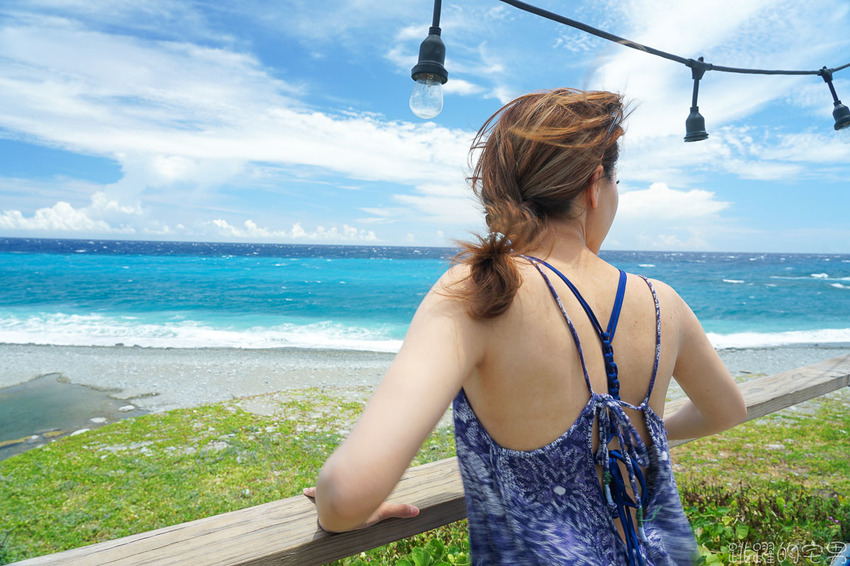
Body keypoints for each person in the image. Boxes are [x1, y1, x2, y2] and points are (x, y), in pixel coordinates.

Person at [304, 88, 747, 565]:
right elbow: (726, 411)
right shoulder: (663, 302)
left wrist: (343, 514)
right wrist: (644, 433)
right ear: (595, 185)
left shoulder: (483, 289)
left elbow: (347, 493)